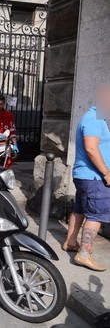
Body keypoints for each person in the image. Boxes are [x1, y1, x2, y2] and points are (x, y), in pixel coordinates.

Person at [63, 84, 110, 272]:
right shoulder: (94, 120)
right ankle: (84, 253)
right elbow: (91, 148)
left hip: (85, 176)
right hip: (94, 177)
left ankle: (71, 242)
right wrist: (106, 173)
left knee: (80, 209)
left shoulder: (92, 117)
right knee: (96, 214)